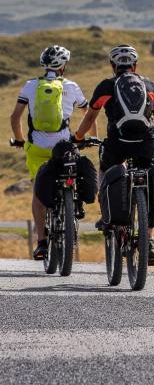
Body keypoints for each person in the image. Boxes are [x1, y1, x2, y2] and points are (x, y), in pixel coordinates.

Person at [73, 44, 154, 265]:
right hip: (146, 143)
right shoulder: (149, 85)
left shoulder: (107, 86)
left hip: (118, 143)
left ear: (112, 66)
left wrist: (78, 137)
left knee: (107, 170)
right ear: (135, 65)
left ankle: (107, 214)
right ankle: (149, 240)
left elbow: (90, 117)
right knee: (148, 177)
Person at [9, 45, 95, 260]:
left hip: (37, 149)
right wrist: (89, 138)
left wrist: (20, 140)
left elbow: (15, 117)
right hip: (63, 148)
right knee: (71, 176)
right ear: (63, 67)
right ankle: (74, 205)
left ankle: (41, 243)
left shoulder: (30, 86)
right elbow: (88, 115)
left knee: (39, 191)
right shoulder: (72, 87)